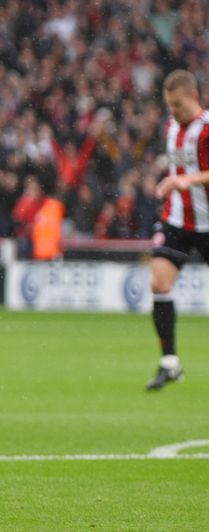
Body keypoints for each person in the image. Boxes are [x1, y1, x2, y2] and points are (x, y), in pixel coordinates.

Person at [148, 69, 209, 391]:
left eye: (178, 105)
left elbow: (190, 173)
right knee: (159, 282)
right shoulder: (171, 126)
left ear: (194, 97)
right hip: (177, 220)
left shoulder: (207, 128)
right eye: (169, 105)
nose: (173, 111)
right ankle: (170, 363)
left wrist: (188, 180)